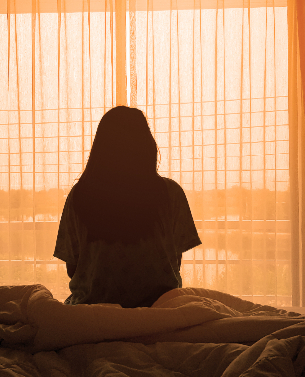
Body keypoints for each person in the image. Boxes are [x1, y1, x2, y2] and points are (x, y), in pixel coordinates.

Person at [53, 106, 201, 308]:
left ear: (101, 147)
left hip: (92, 308)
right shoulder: (170, 193)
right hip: (159, 309)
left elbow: (73, 266)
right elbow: (175, 260)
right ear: (146, 145)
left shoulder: (80, 195)